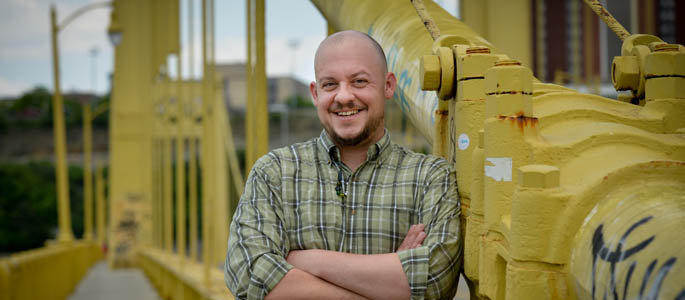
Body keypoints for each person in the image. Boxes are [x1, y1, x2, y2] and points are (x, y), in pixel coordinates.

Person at [224, 30, 461, 300]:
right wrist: (390, 279)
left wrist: (307, 261)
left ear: (388, 85)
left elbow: (435, 280)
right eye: (330, 85)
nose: (344, 96)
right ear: (315, 93)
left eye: (359, 81)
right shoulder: (274, 173)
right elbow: (249, 274)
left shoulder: (431, 177)